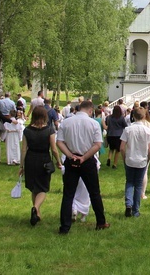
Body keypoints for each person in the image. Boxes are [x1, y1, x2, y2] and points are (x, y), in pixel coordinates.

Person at [56, 100, 109, 233]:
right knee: (94, 192)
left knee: (68, 194)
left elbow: (59, 142)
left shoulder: (66, 122)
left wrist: (69, 155)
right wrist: (84, 157)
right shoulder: (93, 124)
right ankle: (101, 222)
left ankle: (65, 226)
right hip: (87, 160)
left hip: (71, 159)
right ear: (90, 110)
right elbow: (97, 144)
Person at [20, 105, 62, 226]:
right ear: (45, 116)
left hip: (30, 159)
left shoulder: (27, 130)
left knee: (34, 187)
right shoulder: (49, 130)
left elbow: (23, 150)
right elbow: (54, 149)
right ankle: (36, 208)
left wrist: (21, 166)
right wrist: (58, 161)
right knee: (43, 188)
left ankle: (37, 213)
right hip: (44, 159)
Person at [119, 108, 150, 218]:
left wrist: (124, 158)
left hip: (130, 159)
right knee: (138, 185)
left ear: (133, 116)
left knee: (129, 182)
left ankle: (128, 204)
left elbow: (122, 148)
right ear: (144, 117)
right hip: (142, 160)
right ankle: (136, 210)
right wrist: (148, 159)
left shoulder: (128, 129)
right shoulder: (148, 130)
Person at [105, 105, 127, 169]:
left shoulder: (109, 117)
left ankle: (109, 158)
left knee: (111, 149)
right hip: (118, 135)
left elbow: (107, 124)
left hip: (110, 135)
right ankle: (114, 164)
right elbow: (125, 125)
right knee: (117, 150)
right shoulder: (121, 118)